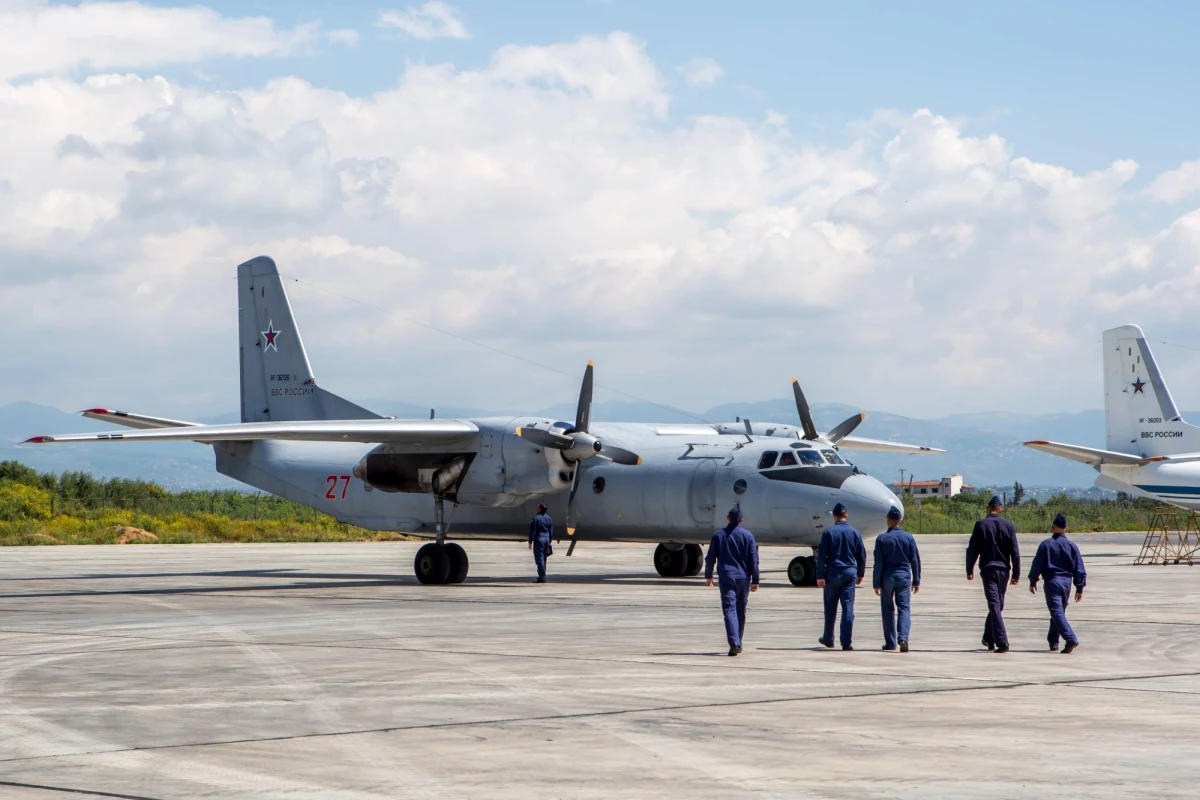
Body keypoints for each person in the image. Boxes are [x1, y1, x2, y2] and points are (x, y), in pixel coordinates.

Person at [967, 495, 1021, 653]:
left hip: (989, 570)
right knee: (996, 604)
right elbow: (1015, 552)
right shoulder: (1008, 525)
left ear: (988, 508)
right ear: (1001, 508)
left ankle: (994, 639)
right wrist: (1016, 574)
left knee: (996, 605)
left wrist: (969, 569)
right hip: (1003, 571)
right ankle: (996, 639)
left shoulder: (981, 524)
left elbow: (972, 549)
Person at [704, 504, 760, 656]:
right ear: (741, 520)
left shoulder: (718, 535)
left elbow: (710, 558)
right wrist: (756, 580)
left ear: (727, 518)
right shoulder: (748, 536)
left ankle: (734, 642)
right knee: (740, 611)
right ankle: (738, 641)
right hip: (743, 578)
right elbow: (753, 560)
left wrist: (708, 575)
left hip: (726, 577)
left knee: (729, 609)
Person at [1029, 513, 1087, 654]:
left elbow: (1037, 564)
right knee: (1058, 612)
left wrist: (1033, 580)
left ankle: (1070, 638)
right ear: (1066, 529)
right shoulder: (1072, 546)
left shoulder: (1046, 545)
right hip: (1066, 583)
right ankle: (1053, 641)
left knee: (1056, 611)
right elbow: (1079, 568)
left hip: (1052, 581)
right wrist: (1079, 587)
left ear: (1052, 528)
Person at [816, 502, 866, 651]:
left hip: (832, 572)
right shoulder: (855, 533)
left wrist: (820, 575)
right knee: (848, 607)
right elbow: (861, 555)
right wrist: (861, 573)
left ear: (834, 516)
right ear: (846, 515)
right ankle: (846, 642)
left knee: (830, 608)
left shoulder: (828, 532)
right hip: (849, 573)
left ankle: (828, 638)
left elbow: (822, 556)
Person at [872, 506, 921, 652]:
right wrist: (916, 580)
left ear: (888, 521)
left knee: (887, 609)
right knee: (904, 608)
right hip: (904, 577)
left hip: (888, 577)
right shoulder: (909, 537)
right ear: (901, 520)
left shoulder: (881, 539)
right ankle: (903, 638)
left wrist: (876, 583)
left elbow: (878, 563)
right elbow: (915, 560)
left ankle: (890, 642)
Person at [528, 502, 553, 583]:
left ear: (540, 508)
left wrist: (530, 541)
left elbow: (533, 531)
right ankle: (542, 575)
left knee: (540, 559)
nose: (536, 507)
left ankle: (542, 577)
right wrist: (550, 540)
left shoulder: (536, 518)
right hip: (547, 538)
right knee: (544, 558)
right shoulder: (549, 518)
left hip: (539, 539)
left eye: (538, 506)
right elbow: (551, 531)